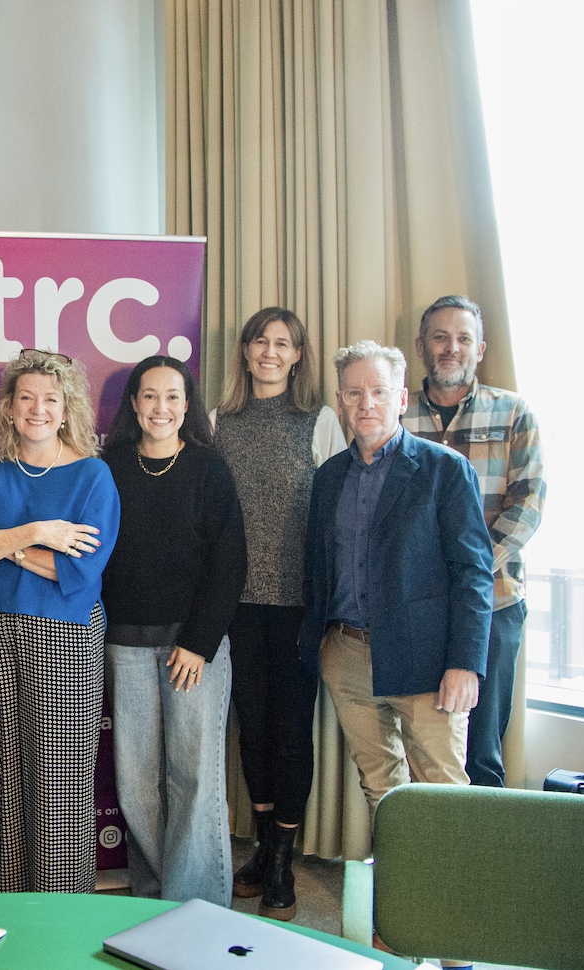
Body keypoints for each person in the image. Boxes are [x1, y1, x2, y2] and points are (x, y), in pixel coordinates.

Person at [0, 349, 120, 893]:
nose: (38, 409)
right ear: (8, 407)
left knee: (61, 776)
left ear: (67, 409)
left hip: (66, 635)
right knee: (2, 769)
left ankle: (64, 907)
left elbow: (80, 571)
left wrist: (2, 540)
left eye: (50, 399)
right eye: (26, 398)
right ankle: (16, 900)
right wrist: (37, 532)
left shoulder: (94, 477)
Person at [299, 341, 494, 823]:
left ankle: (449, 900)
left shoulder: (444, 471)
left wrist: (465, 663)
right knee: (380, 787)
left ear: (402, 399)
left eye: (379, 391)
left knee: (443, 793)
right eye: (354, 392)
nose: (367, 404)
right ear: (341, 400)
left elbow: (473, 573)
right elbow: (318, 568)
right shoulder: (328, 478)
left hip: (426, 660)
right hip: (347, 656)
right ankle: (401, 894)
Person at [211, 307, 346, 918]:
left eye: (282, 343)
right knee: (253, 730)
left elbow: (340, 517)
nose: (269, 351)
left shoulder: (319, 421)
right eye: (260, 341)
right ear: (244, 351)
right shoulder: (218, 421)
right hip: (236, 605)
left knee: (293, 736)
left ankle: (285, 860)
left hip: (298, 607)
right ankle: (262, 850)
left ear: (298, 356)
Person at [100, 355, 246, 906]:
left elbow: (229, 562)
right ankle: (157, 895)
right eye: (150, 396)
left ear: (187, 405)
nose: (161, 408)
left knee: (194, 777)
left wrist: (199, 643)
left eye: (172, 396)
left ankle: (199, 906)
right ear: (134, 404)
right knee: (136, 783)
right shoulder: (108, 468)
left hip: (193, 648)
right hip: (126, 647)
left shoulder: (209, 469)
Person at [403, 295, 545, 788]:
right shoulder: (397, 416)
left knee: (482, 750)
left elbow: (528, 504)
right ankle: (424, 860)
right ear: (422, 346)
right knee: (421, 748)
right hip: (416, 610)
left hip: (494, 606)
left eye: (463, 339)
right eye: (440, 338)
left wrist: (471, 570)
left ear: (480, 349)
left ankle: (483, 864)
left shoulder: (513, 413)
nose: (451, 348)